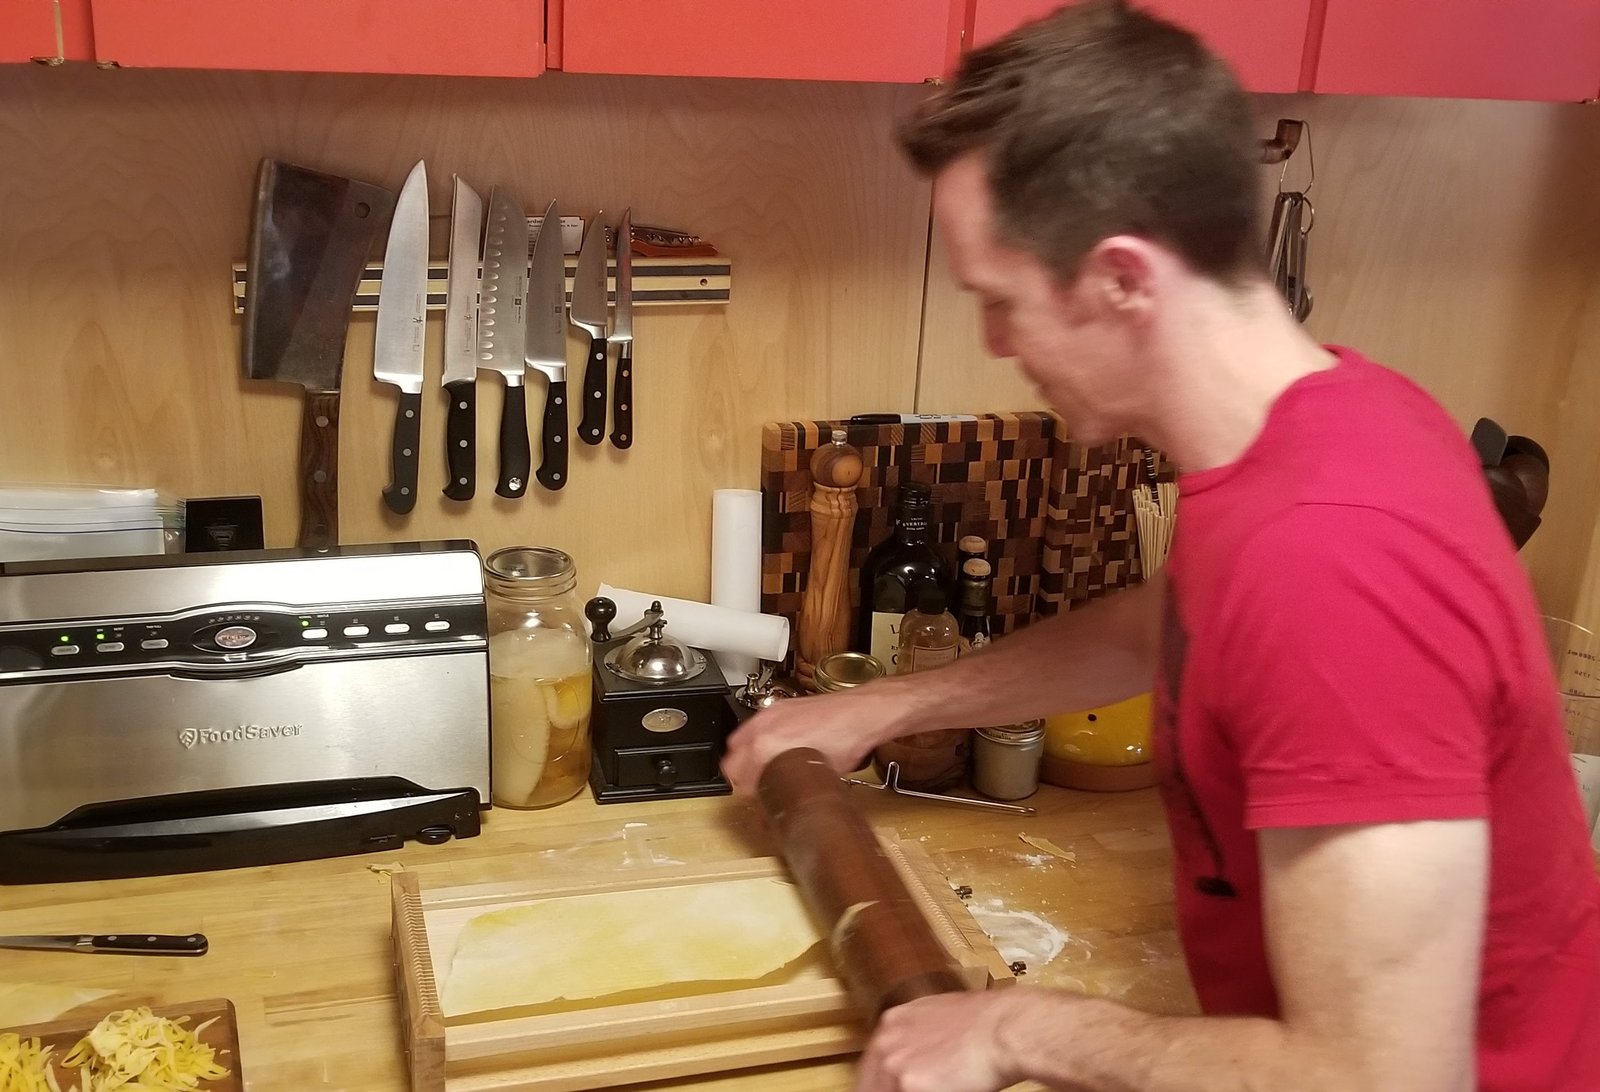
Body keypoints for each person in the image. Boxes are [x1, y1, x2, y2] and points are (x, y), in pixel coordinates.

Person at [720, 3, 1600, 1089]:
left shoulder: (1333, 563)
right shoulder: (1330, 421)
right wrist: (886, 706)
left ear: (1125, 278)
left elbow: (1383, 1079)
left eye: (1002, 303)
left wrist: (1014, 1030)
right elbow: (1166, 621)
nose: (994, 346)